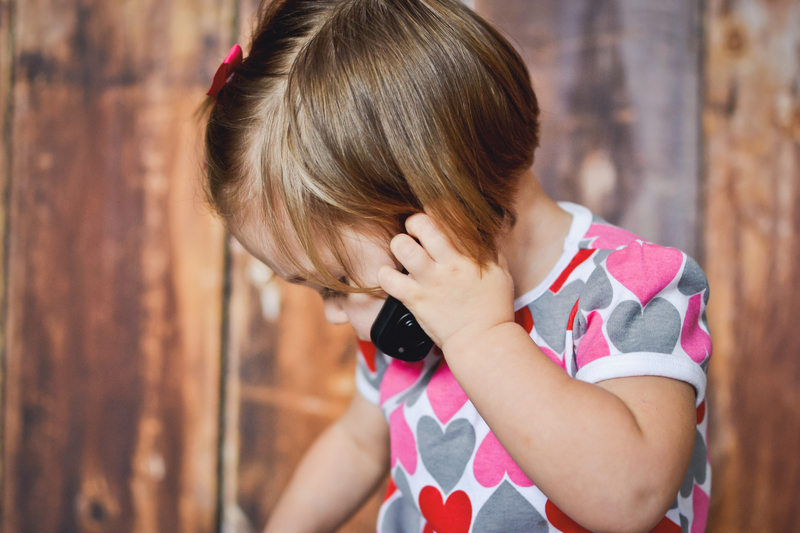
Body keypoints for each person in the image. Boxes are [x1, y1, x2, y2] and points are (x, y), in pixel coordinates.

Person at [200, 0, 712, 531]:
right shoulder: (410, 320)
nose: (333, 313)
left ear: (439, 197)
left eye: (337, 283)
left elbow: (629, 496)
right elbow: (358, 443)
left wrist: (481, 337)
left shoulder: (631, 289)